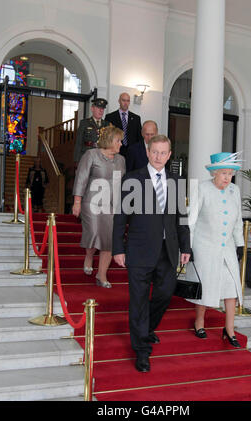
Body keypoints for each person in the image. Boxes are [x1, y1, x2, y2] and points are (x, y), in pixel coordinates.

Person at [113, 134, 191, 372]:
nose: (158, 157)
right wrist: (118, 248)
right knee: (137, 302)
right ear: (148, 152)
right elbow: (120, 217)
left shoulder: (176, 181)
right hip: (138, 251)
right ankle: (142, 350)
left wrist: (186, 248)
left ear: (169, 155)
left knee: (165, 294)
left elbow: (181, 218)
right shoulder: (132, 178)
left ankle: (146, 328)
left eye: (163, 153)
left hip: (168, 251)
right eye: (154, 152)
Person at [188, 152, 244, 347]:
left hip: (227, 247)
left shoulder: (234, 191)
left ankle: (229, 330)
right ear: (214, 173)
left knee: (231, 287)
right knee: (206, 285)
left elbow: (238, 220)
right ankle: (199, 322)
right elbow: (191, 219)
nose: (227, 177)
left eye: (230, 173)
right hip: (204, 246)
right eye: (223, 173)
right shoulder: (202, 188)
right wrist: (188, 245)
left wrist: (240, 243)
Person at [72, 125, 125, 288]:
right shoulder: (91, 155)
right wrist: (77, 202)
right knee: (94, 234)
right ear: (109, 140)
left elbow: (121, 184)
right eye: (118, 141)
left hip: (111, 205)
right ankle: (89, 255)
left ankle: (101, 275)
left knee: (109, 240)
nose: (121, 144)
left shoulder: (121, 160)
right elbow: (81, 178)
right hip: (91, 203)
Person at [73, 98, 110, 164]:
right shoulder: (84, 123)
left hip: (102, 157)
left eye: (103, 108)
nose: (101, 110)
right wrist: (77, 160)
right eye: (98, 108)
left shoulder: (107, 124)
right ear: (92, 109)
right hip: (87, 155)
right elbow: (78, 142)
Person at [105, 92, 142, 157]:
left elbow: (139, 137)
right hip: (115, 152)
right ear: (119, 101)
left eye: (127, 101)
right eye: (123, 100)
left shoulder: (136, 118)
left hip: (132, 153)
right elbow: (107, 137)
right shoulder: (110, 117)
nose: (125, 103)